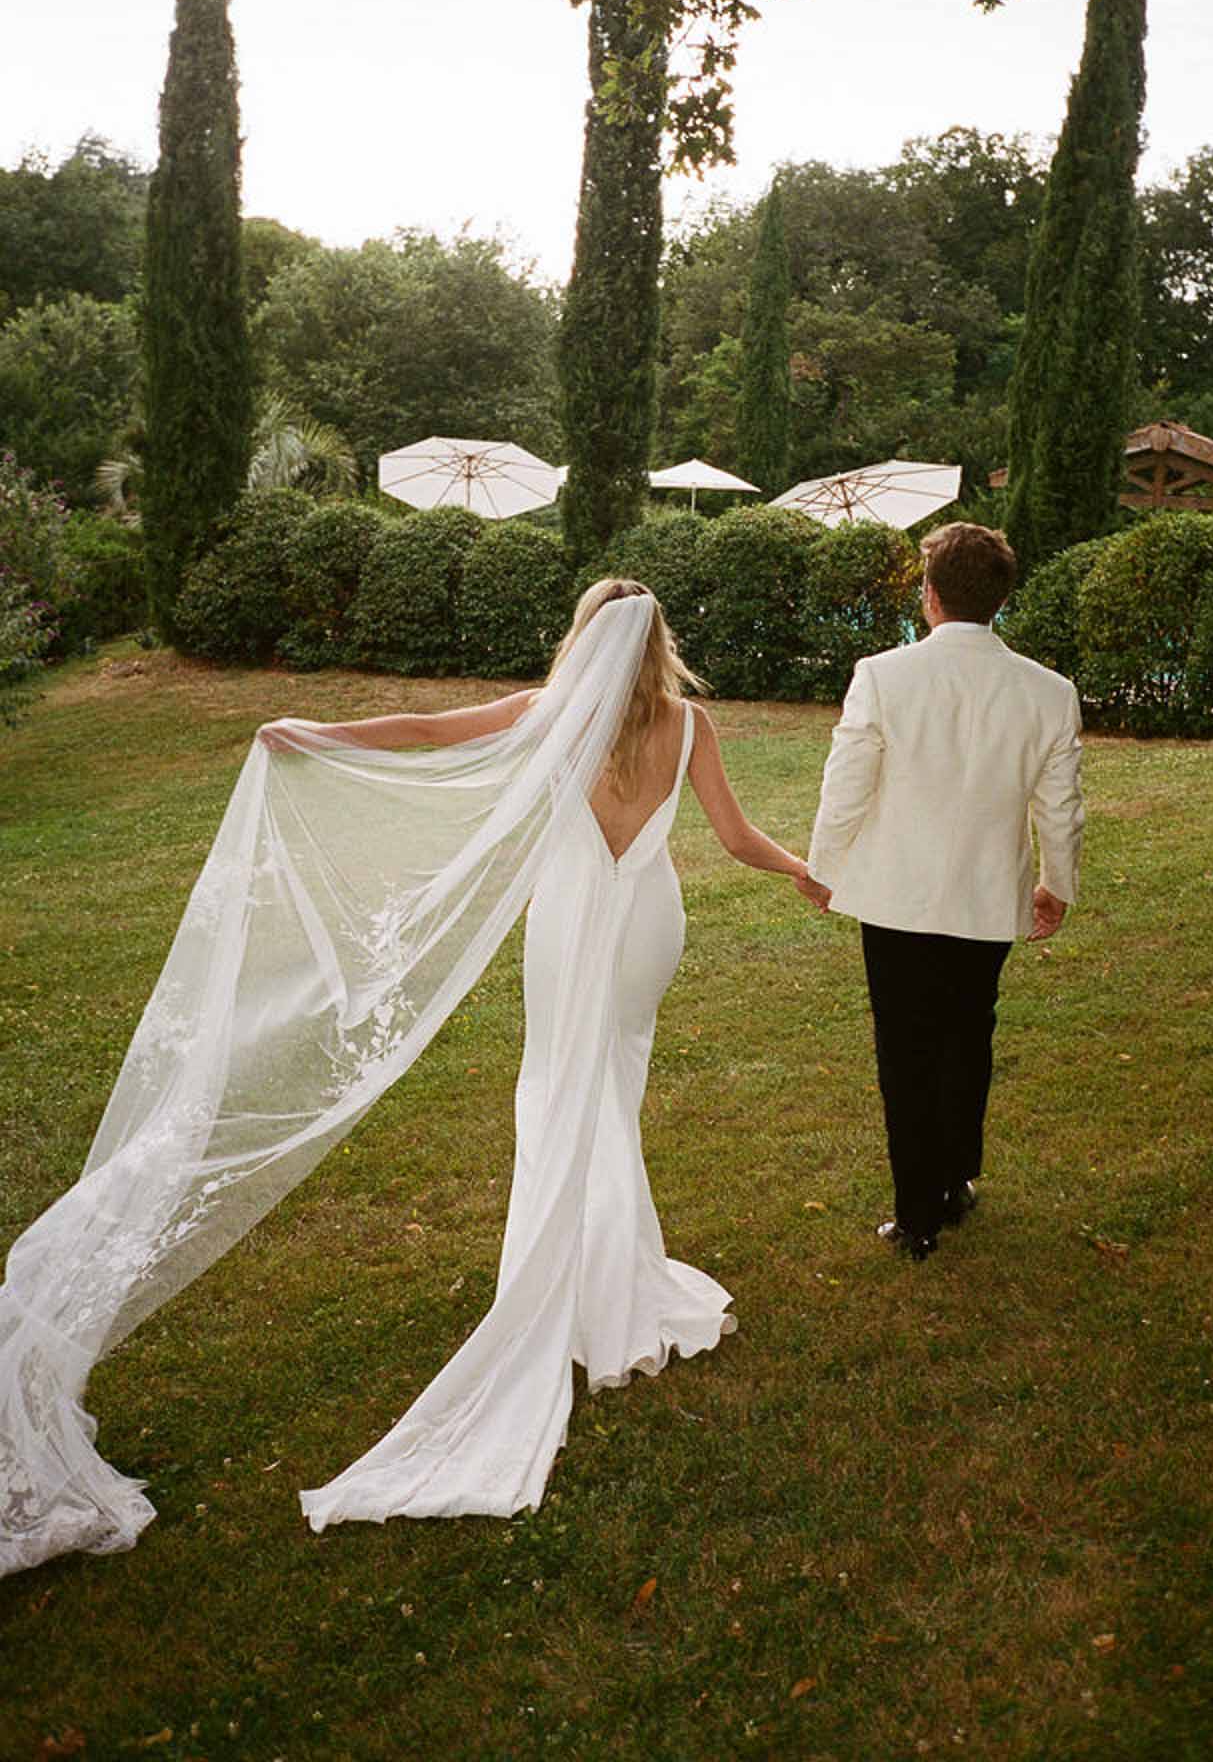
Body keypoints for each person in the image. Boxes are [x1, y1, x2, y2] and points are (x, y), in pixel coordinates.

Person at [0, 580, 817, 1578]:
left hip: (569, 922)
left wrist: (317, 732)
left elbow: (429, 731)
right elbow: (735, 838)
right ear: (659, 644)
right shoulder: (688, 723)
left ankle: (580, 1283)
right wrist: (802, 868)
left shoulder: (548, 710)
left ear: (583, 637)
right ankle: (617, 1280)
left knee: (558, 1093)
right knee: (611, 1095)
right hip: (648, 921)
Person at [807, 523, 1085, 1263]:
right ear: (999, 598)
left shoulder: (882, 675)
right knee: (969, 1037)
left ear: (929, 595)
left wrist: (823, 867)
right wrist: (1057, 884)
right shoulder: (1049, 694)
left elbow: (846, 785)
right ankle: (953, 1181)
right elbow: (1061, 806)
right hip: (987, 897)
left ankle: (917, 1215)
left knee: (907, 1050)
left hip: (897, 898)